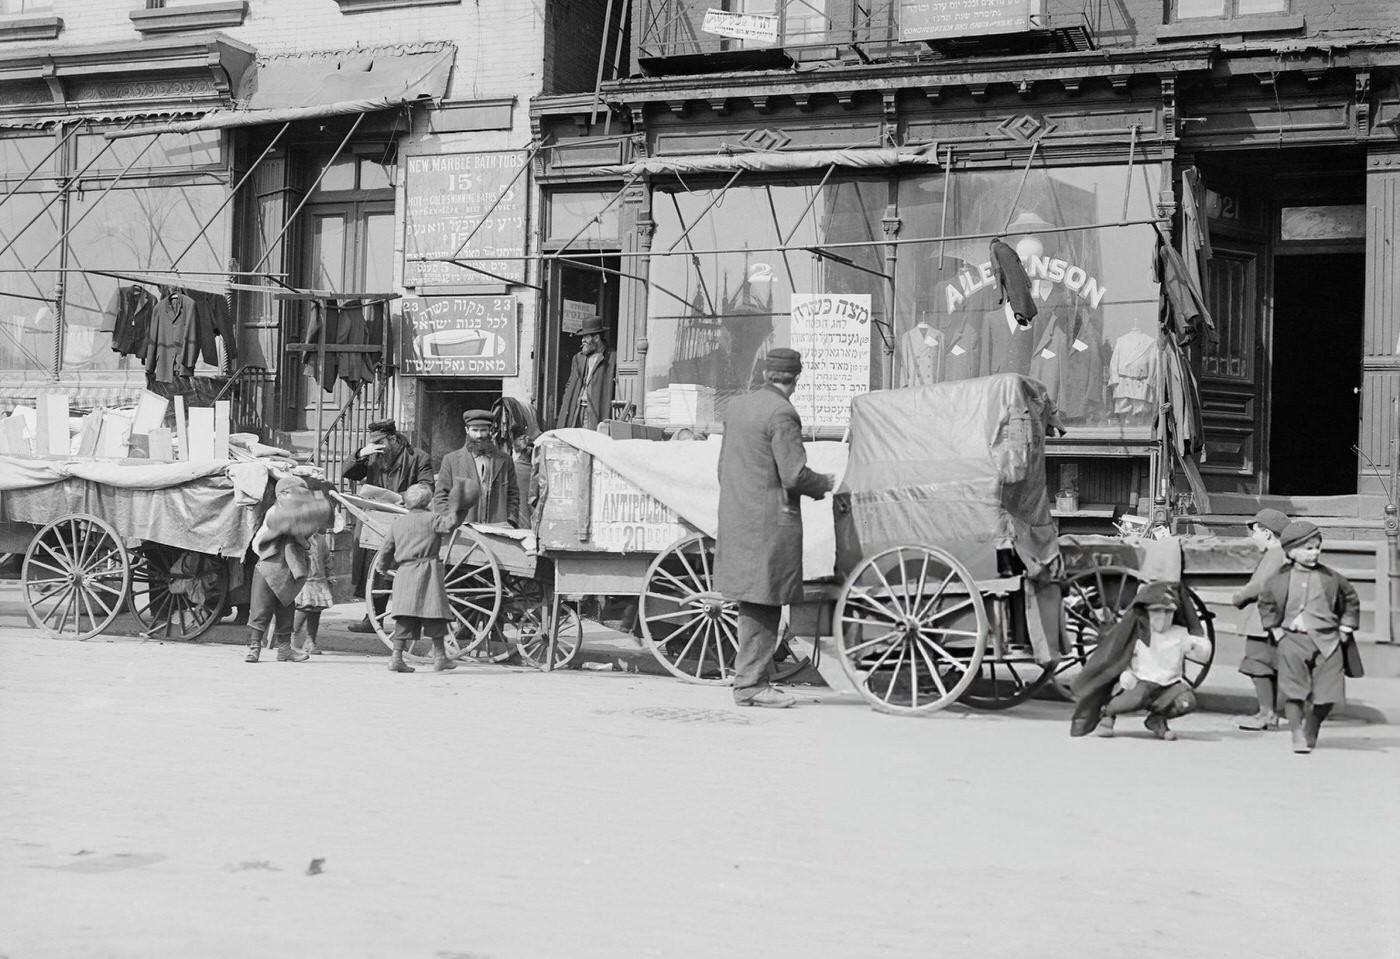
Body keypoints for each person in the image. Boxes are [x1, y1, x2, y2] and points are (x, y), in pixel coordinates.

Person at [714, 348, 834, 708]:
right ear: (795, 380)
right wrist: (824, 483)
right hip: (769, 525)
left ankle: (751, 679)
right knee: (764, 602)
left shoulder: (737, 408)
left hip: (738, 519)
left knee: (752, 601)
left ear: (766, 374)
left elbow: (723, 469)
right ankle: (751, 685)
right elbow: (794, 474)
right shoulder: (782, 413)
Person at [1256, 520, 1360, 754]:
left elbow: (1351, 599)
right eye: (1307, 548)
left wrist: (1346, 628)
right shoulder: (1278, 579)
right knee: (1294, 692)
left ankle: (1312, 724)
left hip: (1328, 642)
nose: (1314, 553)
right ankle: (1296, 734)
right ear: (1291, 551)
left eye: (1317, 547)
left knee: (1328, 695)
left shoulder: (1331, 578)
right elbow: (1266, 603)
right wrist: (1275, 630)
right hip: (1292, 640)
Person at [1069, 580, 1208, 739]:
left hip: (1168, 684)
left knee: (1186, 701)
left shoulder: (1179, 633)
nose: (1162, 617)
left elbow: (1199, 650)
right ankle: (1107, 714)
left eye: (1168, 612)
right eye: (1157, 612)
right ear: (1148, 613)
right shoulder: (1139, 633)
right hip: (1141, 681)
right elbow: (1117, 657)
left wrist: (1201, 647)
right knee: (1132, 698)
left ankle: (1157, 719)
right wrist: (1125, 677)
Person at [373, 479, 479, 673]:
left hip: (405, 573)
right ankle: (440, 657)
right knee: (434, 615)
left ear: (407, 502)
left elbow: (386, 549)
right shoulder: (433, 519)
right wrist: (460, 507)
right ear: (428, 502)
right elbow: (450, 524)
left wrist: (382, 566)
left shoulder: (398, 523)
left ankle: (396, 658)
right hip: (428, 572)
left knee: (404, 618)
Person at [341, 419, 433, 632]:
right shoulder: (372, 455)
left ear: (393, 438)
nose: (378, 446)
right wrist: (360, 454)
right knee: (374, 570)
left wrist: (402, 497)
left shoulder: (418, 457)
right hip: (375, 520)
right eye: (374, 442)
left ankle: (408, 621)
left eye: (381, 441)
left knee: (403, 571)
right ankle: (373, 618)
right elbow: (348, 473)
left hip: (405, 518)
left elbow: (427, 486)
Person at [245, 476, 333, 664]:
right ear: (282, 494)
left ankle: (284, 650)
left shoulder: (301, 515)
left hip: (289, 571)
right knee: (261, 609)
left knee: (286, 610)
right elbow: (280, 528)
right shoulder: (275, 512)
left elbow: (309, 538)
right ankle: (254, 649)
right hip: (269, 568)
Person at [1231, 507, 1291, 730]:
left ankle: (1266, 714)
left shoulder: (1275, 554)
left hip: (1261, 621)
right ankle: (1270, 714)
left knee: (1258, 664)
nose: (1253, 536)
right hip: (1272, 619)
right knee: (1268, 665)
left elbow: (1261, 585)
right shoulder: (1280, 554)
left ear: (1266, 533)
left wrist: (1240, 596)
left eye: (1255, 531)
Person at [434, 408, 519, 526]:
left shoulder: (505, 460)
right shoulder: (451, 460)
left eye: (483, 430)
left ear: (490, 431)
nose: (479, 435)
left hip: (498, 529)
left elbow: (513, 495)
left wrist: (511, 521)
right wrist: (450, 521)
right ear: (467, 430)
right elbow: (441, 497)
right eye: (475, 430)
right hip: (463, 530)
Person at [556, 315, 615, 430]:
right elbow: (569, 385)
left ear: (597, 337)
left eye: (586, 337)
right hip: (577, 409)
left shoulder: (611, 358)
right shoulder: (579, 358)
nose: (582, 340)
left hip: (595, 411)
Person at [292, 525, 334, 655]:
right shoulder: (298, 538)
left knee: (316, 610)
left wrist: (330, 575)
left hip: (319, 581)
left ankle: (310, 640)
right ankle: (293, 635)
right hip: (304, 581)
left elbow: (327, 559)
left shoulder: (320, 539)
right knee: (304, 608)